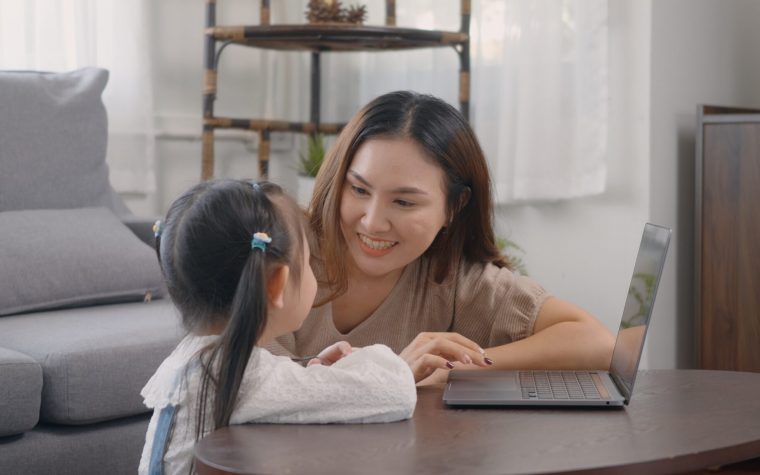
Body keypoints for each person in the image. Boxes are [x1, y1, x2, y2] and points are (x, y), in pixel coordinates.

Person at [267, 91, 616, 384]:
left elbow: (597, 343)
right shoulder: (281, 251)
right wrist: (396, 374)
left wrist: (457, 366)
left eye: (403, 202)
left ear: (454, 207)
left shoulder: (451, 281)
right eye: (359, 189)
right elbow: (255, 391)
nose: (373, 222)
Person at [138, 179, 416, 475]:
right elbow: (395, 391)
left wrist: (311, 371)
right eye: (308, 261)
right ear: (276, 285)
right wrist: (370, 362)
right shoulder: (244, 376)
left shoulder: (192, 358)